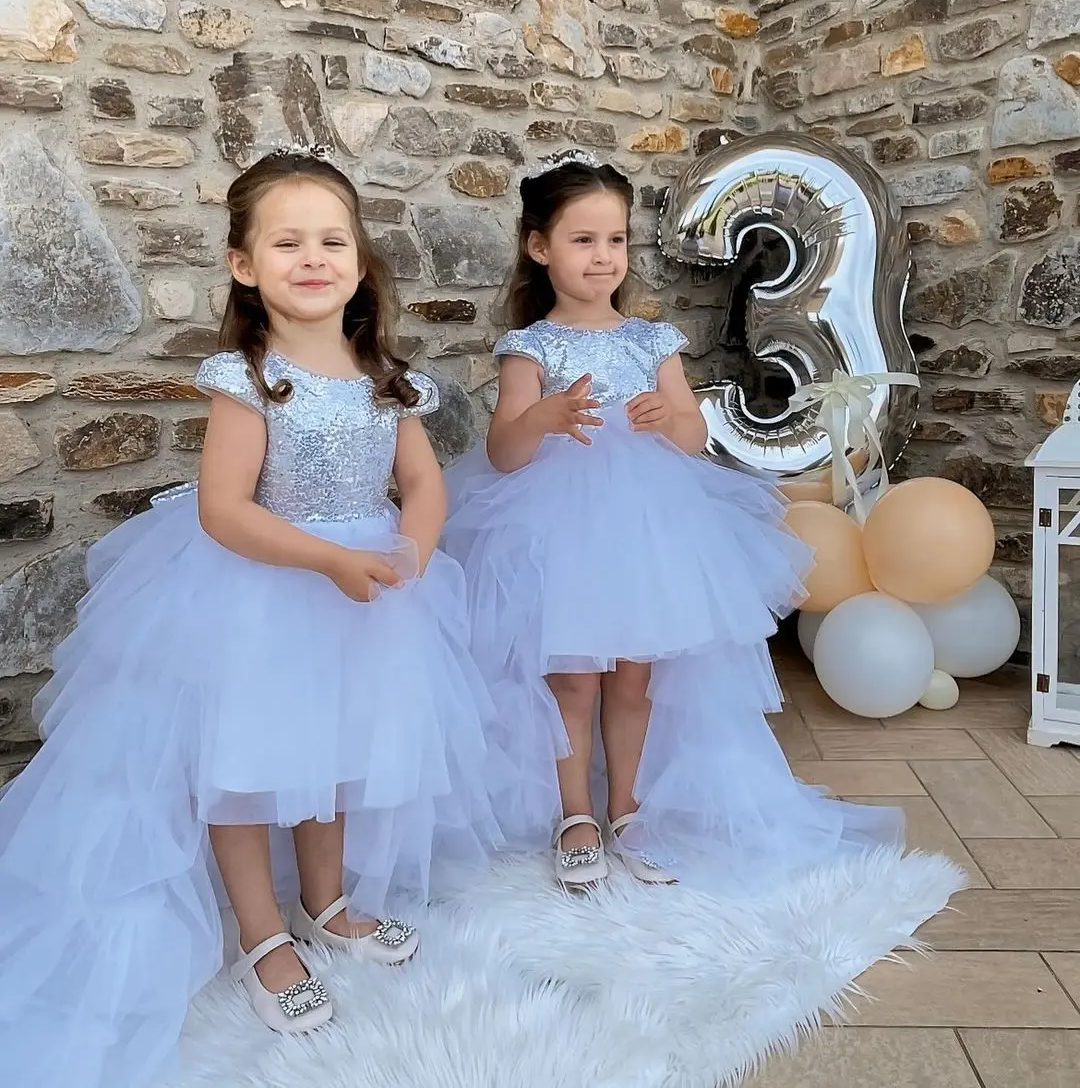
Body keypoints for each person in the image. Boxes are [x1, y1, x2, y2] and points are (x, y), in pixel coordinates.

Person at [0, 149, 499, 1088]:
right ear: (244, 265)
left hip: (369, 594)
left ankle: (326, 903)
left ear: (359, 260)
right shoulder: (248, 377)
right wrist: (328, 557)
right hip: (262, 591)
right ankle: (262, 934)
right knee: (247, 766)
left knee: (339, 756)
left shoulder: (384, 374)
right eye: (288, 242)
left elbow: (424, 482)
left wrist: (415, 552)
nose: (313, 258)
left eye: (332, 240)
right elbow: (225, 509)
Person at [442, 152, 904, 891]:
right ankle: (575, 814)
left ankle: (627, 809)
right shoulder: (531, 347)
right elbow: (503, 452)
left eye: (616, 240)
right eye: (583, 240)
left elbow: (693, 436)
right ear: (540, 248)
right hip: (556, 530)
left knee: (635, 680)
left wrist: (668, 419)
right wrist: (545, 416)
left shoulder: (650, 340)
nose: (603, 257)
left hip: (650, 530)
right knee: (572, 682)